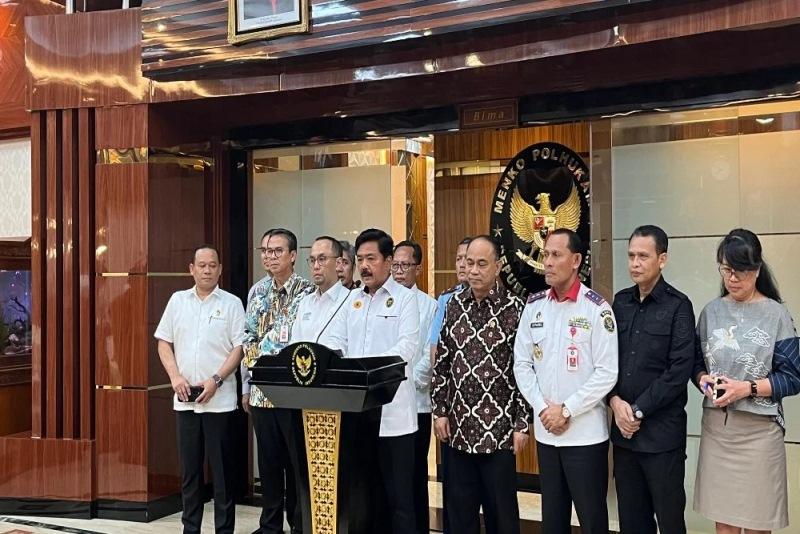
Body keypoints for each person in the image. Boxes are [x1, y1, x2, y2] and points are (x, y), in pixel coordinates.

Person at [692, 228, 800, 534]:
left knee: (757, 524)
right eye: (726, 269)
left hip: (759, 433)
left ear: (757, 269)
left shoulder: (776, 314)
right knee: (723, 524)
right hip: (718, 430)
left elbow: (793, 377)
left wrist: (746, 388)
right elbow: (695, 364)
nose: (732, 278)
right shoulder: (711, 312)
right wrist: (703, 381)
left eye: (740, 270)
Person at [513, 228, 618, 534]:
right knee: (553, 521)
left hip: (584, 437)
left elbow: (607, 372)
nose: (547, 262)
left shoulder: (596, 309)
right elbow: (522, 363)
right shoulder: (534, 306)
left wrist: (567, 409)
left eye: (556, 255)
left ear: (576, 260)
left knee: (592, 521)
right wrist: (543, 408)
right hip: (547, 434)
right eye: (545, 254)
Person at [431, 235, 530, 534]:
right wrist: (440, 411)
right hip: (458, 428)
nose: (473, 270)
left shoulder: (515, 308)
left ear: (497, 267)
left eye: (481, 264)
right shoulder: (453, 304)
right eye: (469, 262)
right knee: (459, 515)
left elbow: (524, 370)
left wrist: (522, 423)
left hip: (498, 432)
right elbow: (442, 361)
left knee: (502, 515)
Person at [327, 228, 420, 534]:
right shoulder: (351, 300)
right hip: (357, 415)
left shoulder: (405, 300)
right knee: (363, 499)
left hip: (394, 417)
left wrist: (366, 371)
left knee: (399, 502)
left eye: (371, 258)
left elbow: (407, 348)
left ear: (389, 261)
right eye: (360, 259)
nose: (364, 266)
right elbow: (335, 342)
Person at [609, 225, 695, 534]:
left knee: (670, 522)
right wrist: (614, 401)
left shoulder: (678, 306)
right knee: (632, 523)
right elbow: (606, 361)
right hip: (624, 438)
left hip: (662, 439)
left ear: (662, 259)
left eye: (643, 256)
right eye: (631, 255)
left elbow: (679, 370)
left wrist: (637, 410)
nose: (635, 263)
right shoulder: (620, 303)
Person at [154, 245, 245, 534]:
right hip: (185, 401)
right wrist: (175, 377)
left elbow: (240, 348)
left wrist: (216, 379)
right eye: (202, 265)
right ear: (191, 269)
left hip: (220, 401)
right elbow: (163, 342)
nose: (207, 270)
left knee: (223, 474)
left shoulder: (231, 303)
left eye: (212, 265)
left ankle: (224, 530)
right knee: (190, 474)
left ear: (220, 269)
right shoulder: (177, 301)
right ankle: (190, 529)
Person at [242, 228, 313, 534]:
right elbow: (247, 337)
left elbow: (293, 339)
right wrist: (248, 385)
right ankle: (269, 526)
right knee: (269, 464)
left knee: (296, 464)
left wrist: (262, 355)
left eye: (277, 251)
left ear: (293, 255)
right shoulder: (257, 292)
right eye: (265, 251)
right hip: (261, 392)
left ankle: (298, 524)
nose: (270, 257)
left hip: (293, 392)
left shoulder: (306, 292)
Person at [391, 240, 437, 534]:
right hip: (386, 405)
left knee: (415, 475)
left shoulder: (430, 306)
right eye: (395, 265)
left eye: (405, 265)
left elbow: (429, 356)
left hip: (417, 403)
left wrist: (405, 381)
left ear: (418, 269)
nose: (398, 271)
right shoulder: (383, 301)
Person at [428, 236, 471, 534]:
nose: (463, 266)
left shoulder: (507, 303)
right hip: (453, 406)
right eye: (459, 259)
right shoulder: (446, 300)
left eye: (470, 260)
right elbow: (435, 353)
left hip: (489, 415)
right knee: (456, 490)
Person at [290, 236, 351, 345]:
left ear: (338, 263)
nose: (316, 266)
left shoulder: (350, 300)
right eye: (312, 260)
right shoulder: (305, 303)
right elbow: (295, 344)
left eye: (322, 259)